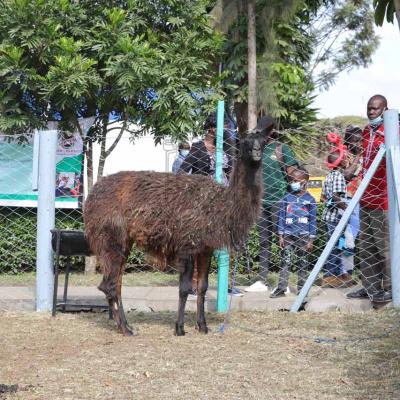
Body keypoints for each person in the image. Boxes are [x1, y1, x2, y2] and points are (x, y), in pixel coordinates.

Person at [179, 115, 240, 296]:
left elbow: (233, 171)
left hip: (225, 201)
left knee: (228, 242)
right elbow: (183, 170)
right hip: (203, 202)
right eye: (224, 127)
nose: (227, 131)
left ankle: (227, 284)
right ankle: (195, 283)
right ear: (213, 128)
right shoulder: (198, 147)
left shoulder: (228, 147)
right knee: (200, 243)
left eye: (228, 127)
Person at [346, 94, 392, 302]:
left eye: (375, 108)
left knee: (385, 247)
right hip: (366, 197)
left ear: (385, 109)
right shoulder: (366, 132)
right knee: (366, 246)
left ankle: (391, 288)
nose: (371, 112)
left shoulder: (392, 131)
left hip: (383, 200)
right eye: (369, 108)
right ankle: (370, 287)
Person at [246, 116, 298, 293]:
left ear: (273, 131)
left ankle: (283, 282)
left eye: (265, 131)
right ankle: (262, 280)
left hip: (279, 202)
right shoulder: (255, 150)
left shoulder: (282, 149)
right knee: (264, 241)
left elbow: (294, 172)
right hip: (261, 202)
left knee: (283, 241)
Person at [270, 167, 317, 298]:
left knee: (302, 263)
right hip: (288, 235)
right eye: (291, 181)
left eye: (296, 181)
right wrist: (281, 235)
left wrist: (311, 240)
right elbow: (281, 217)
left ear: (304, 182)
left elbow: (313, 221)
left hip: (303, 236)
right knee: (285, 262)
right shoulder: (287, 198)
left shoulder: (310, 200)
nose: (292, 183)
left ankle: (302, 290)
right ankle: (281, 289)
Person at [321, 151, 353, 287]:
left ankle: (340, 273)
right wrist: (346, 208)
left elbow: (323, 197)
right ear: (340, 162)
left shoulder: (329, 176)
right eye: (345, 159)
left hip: (329, 215)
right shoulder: (339, 176)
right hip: (336, 217)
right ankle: (330, 275)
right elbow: (335, 196)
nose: (347, 161)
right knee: (335, 247)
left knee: (337, 244)